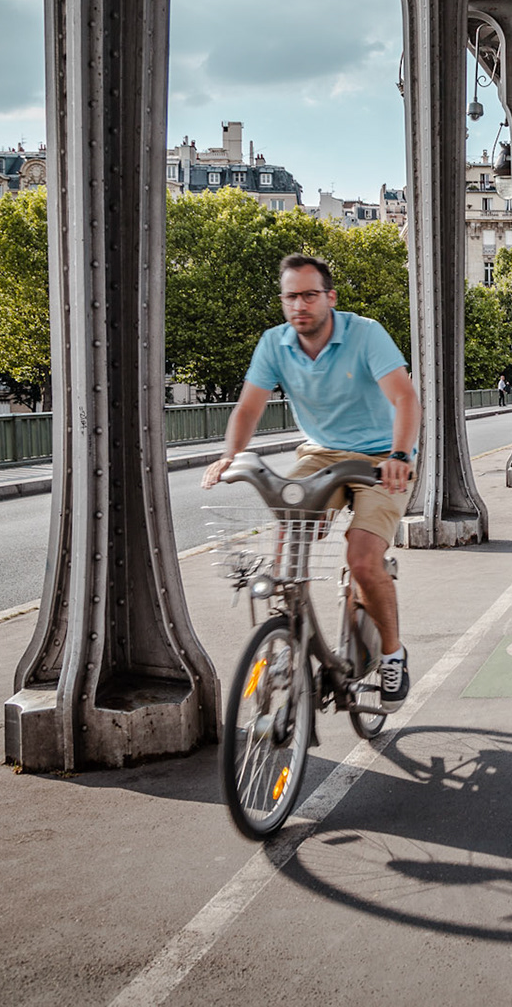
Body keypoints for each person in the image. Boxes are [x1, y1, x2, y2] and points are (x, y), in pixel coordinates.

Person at [202, 255, 420, 713]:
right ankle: (291, 635)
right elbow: (247, 409)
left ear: (329, 298)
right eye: (290, 297)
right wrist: (230, 456)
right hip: (321, 452)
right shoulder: (274, 344)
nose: (299, 306)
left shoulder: (365, 333)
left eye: (308, 295)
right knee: (291, 522)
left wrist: (400, 455)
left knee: (362, 559)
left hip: (381, 457)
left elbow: (403, 397)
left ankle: (394, 653)